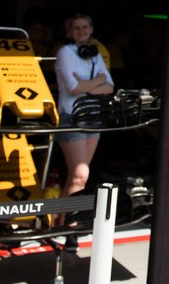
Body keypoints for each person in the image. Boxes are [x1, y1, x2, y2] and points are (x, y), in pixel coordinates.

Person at [53, 13, 115, 249]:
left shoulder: (95, 55)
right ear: (69, 32)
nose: (81, 31)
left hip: (93, 118)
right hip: (72, 118)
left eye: (85, 27)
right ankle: (69, 230)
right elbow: (73, 86)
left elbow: (110, 87)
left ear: (91, 30)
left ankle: (60, 224)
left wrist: (90, 85)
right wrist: (95, 82)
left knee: (76, 178)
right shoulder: (64, 53)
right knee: (80, 176)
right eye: (75, 27)